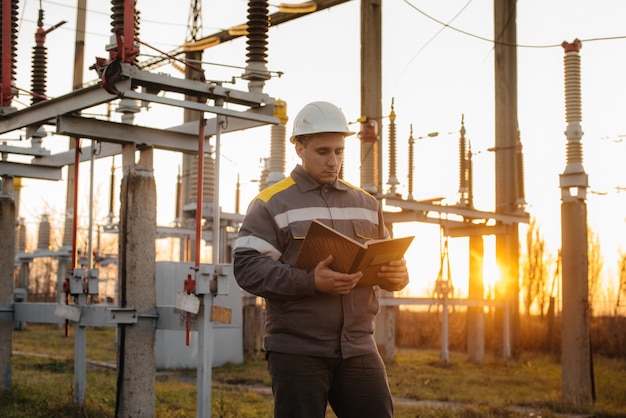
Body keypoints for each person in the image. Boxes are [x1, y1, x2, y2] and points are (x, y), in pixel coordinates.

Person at [233, 101, 409, 418]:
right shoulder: (271, 203)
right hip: (297, 349)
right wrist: (310, 281)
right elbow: (248, 268)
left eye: (339, 152)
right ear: (299, 149)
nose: (333, 161)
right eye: (323, 151)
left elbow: (383, 260)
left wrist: (396, 275)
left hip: (358, 346)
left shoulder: (366, 204)